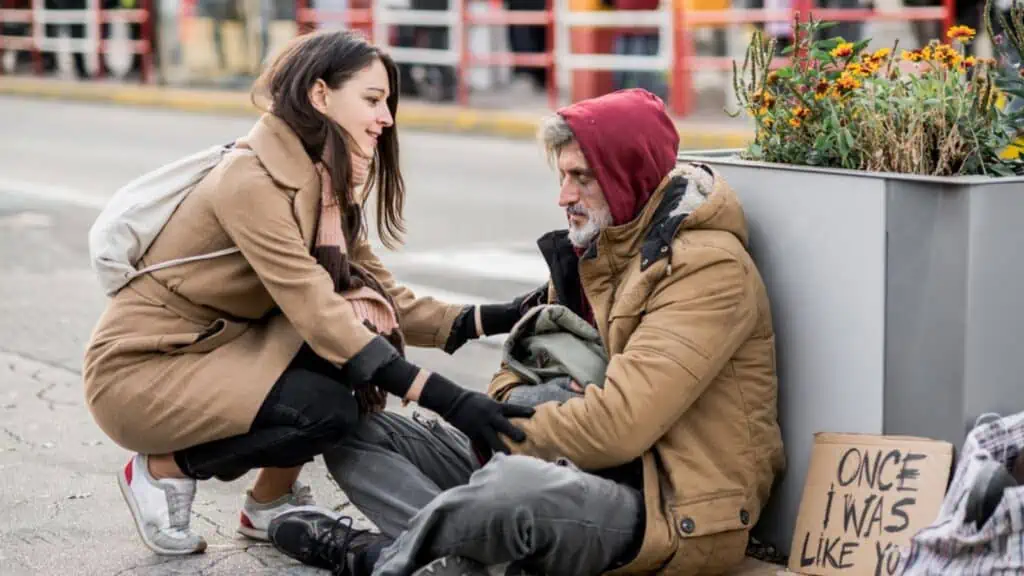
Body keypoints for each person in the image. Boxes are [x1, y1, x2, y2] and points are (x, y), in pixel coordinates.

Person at [267, 88, 786, 576]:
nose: (565, 196)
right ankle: (451, 556)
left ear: (630, 175)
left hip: (664, 501)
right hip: (559, 459)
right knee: (355, 425)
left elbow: (620, 427)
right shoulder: (596, 251)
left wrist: (513, 428)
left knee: (511, 485)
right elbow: (512, 375)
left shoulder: (705, 269)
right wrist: (537, 405)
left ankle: (379, 557)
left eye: (582, 177)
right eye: (562, 177)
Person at [82, 29, 535, 557]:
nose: (386, 117)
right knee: (327, 404)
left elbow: (383, 296)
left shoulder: (327, 185)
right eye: (372, 99)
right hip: (143, 370)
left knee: (352, 344)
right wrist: (450, 401)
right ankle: (160, 470)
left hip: (218, 351)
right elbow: (316, 309)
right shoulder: (250, 181)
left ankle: (267, 505)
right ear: (320, 96)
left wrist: (508, 313)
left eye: (387, 102)